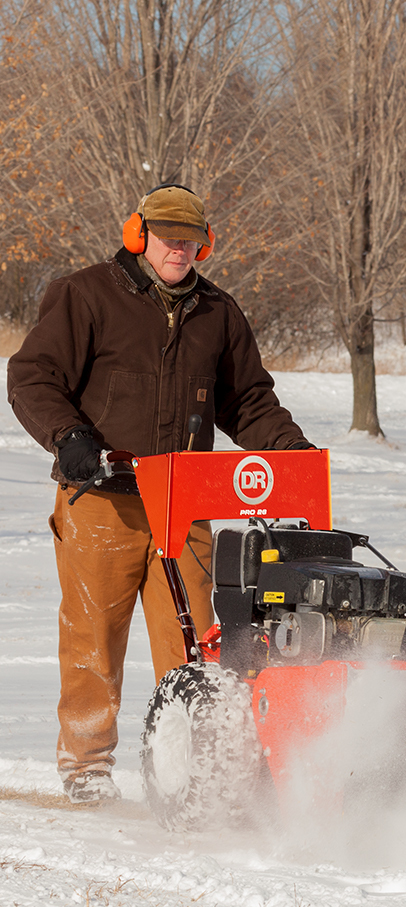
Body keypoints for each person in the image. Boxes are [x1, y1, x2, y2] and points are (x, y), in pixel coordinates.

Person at [7, 184, 314, 804]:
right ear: (137, 234)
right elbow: (32, 376)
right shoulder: (87, 294)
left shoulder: (217, 313)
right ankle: (87, 768)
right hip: (103, 497)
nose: (179, 247)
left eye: (190, 237)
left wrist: (292, 454)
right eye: (167, 235)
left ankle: (202, 768)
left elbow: (248, 401)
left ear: (205, 242)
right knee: (95, 633)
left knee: (202, 641)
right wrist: (69, 437)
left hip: (184, 499)